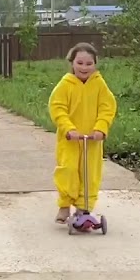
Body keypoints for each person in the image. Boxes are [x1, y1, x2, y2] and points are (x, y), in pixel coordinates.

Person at [48, 43, 117, 224]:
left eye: (89, 64)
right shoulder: (65, 85)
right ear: (72, 63)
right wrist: (68, 128)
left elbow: (107, 107)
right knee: (68, 170)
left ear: (95, 64)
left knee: (90, 173)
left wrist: (101, 128)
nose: (84, 67)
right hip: (70, 139)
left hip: (93, 139)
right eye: (80, 63)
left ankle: (83, 207)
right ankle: (64, 205)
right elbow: (58, 108)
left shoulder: (99, 84)